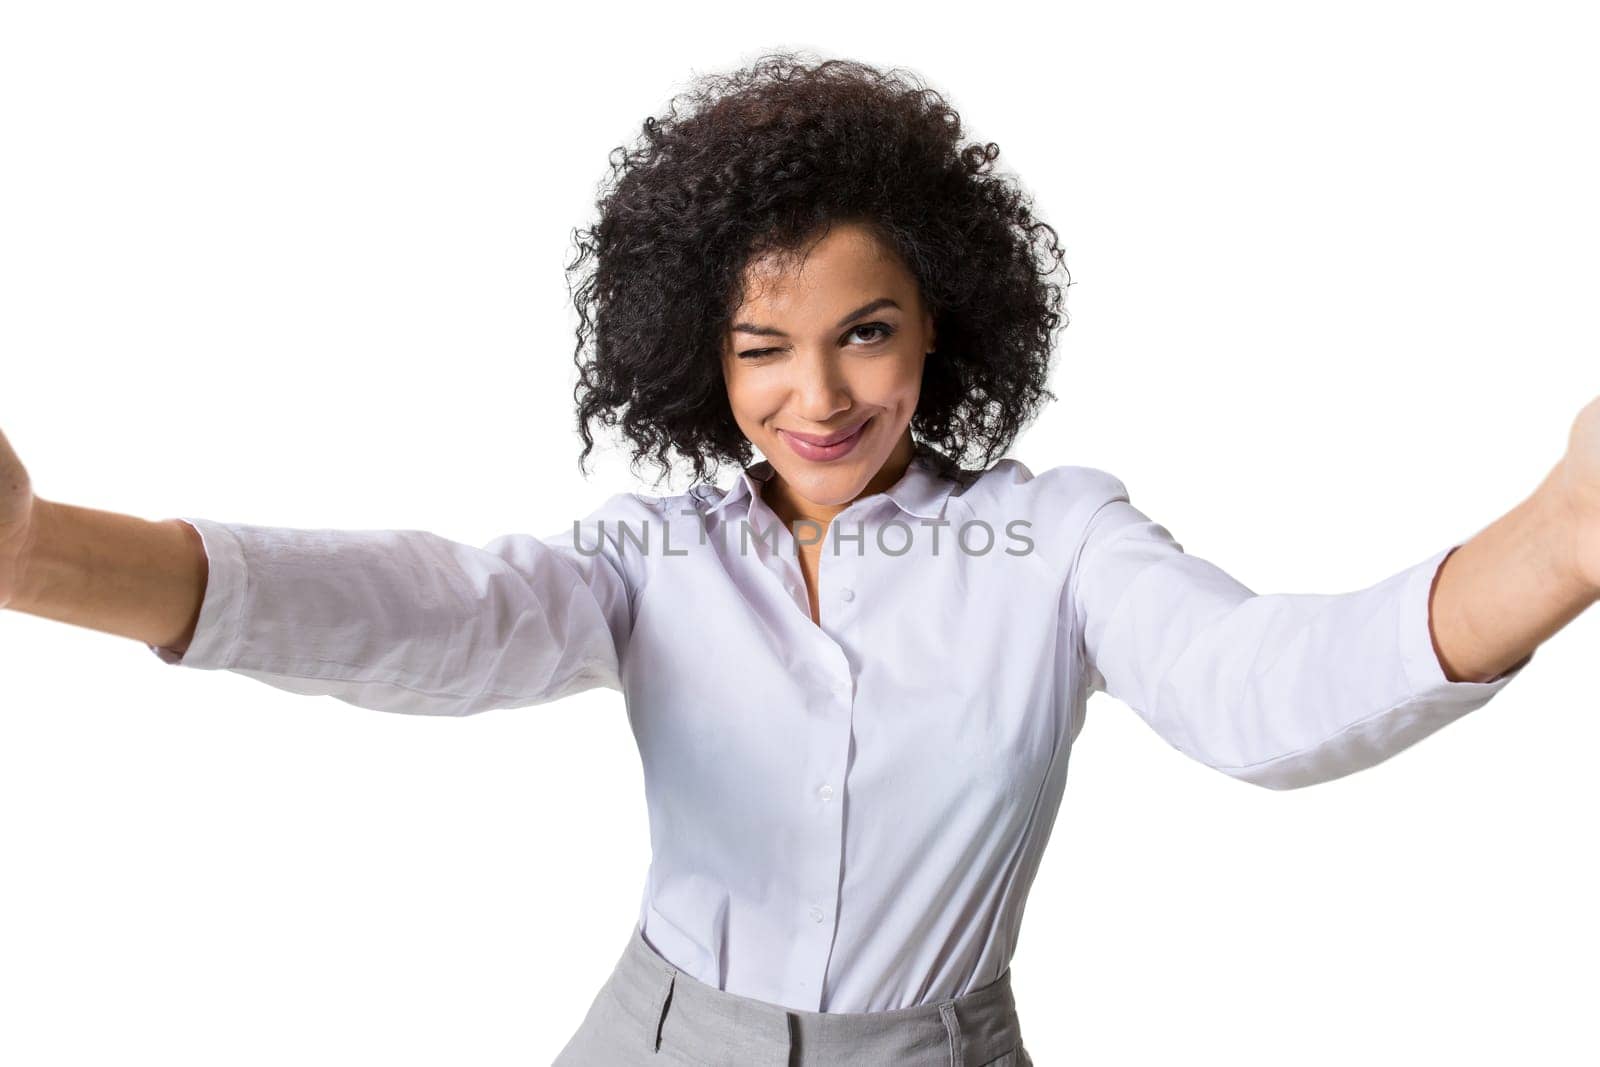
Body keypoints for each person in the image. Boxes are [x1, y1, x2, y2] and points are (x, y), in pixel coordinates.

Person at [3, 51, 1597, 1066]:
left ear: (942, 329)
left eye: (866, 336)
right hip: (654, 1036)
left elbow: (1265, 694)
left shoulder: (1054, 543)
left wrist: (1562, 538)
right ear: (703, 358)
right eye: (765, 349)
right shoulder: (655, 556)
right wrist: (37, 551)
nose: (817, 398)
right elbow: (433, 614)